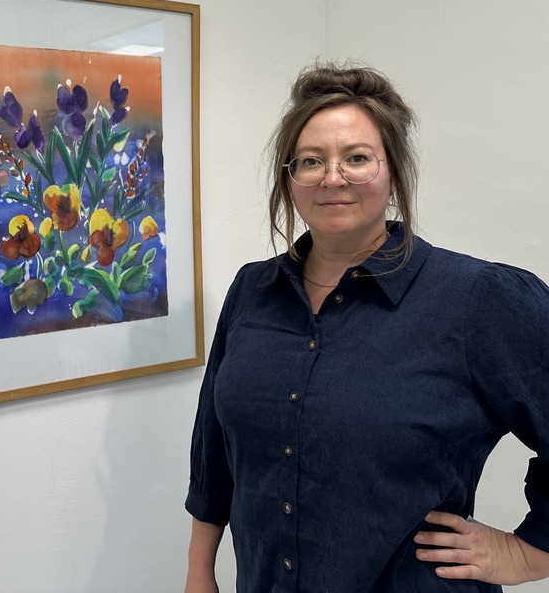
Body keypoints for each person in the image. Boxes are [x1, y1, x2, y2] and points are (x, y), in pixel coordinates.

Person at [184, 62, 549, 592]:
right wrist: (199, 571)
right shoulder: (252, 291)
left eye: (357, 158)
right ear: (290, 179)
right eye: (311, 161)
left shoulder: (478, 300)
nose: (332, 177)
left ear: (394, 172)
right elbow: (213, 445)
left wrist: (529, 552)